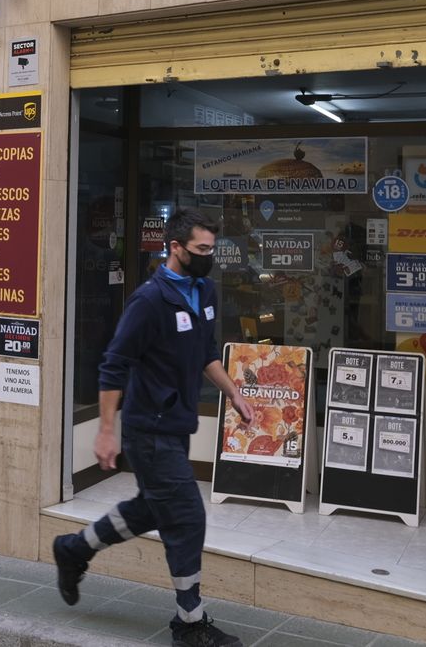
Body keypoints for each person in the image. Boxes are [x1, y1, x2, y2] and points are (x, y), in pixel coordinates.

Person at [53, 208, 256, 647]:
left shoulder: (205, 291)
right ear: (175, 248)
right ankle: (189, 622)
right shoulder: (148, 301)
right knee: (187, 517)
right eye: (201, 249)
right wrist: (106, 430)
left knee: (151, 509)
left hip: (177, 424)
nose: (208, 257)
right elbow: (113, 365)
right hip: (148, 429)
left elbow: (206, 353)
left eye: (212, 249)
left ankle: (73, 549)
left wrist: (233, 393)